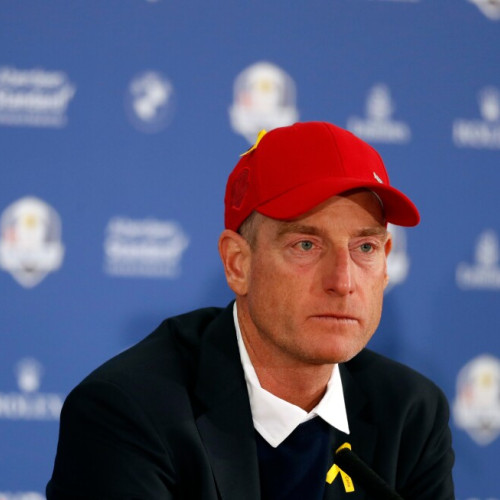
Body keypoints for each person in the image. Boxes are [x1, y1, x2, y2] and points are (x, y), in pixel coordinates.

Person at [46, 121, 455, 499]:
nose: (343, 281)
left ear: (386, 261)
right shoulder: (127, 413)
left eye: (364, 247)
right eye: (306, 245)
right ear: (238, 264)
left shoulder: (410, 414)